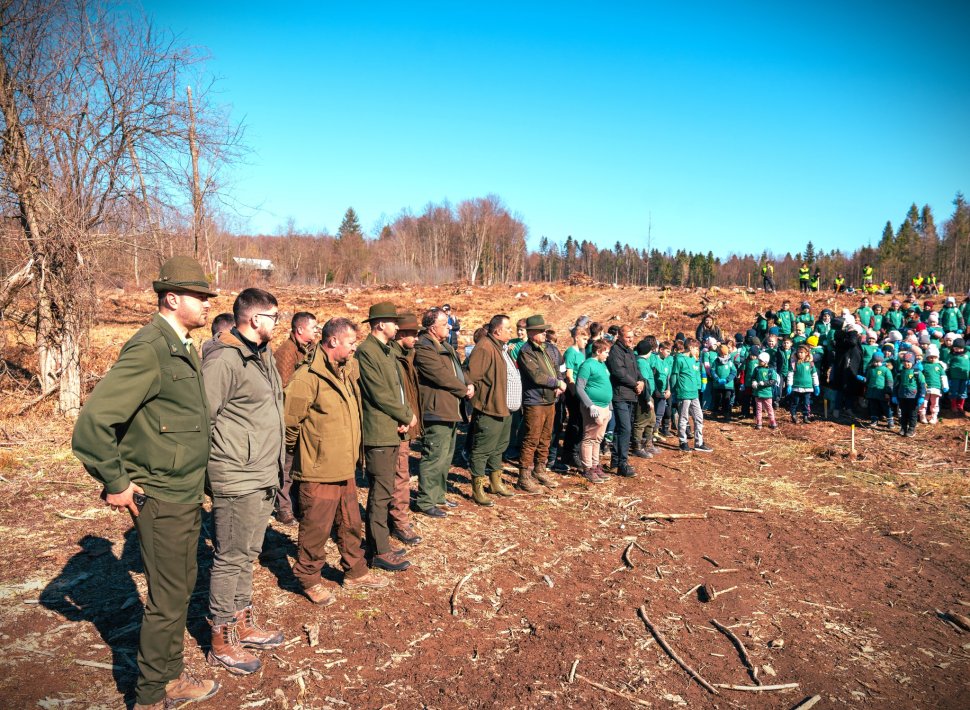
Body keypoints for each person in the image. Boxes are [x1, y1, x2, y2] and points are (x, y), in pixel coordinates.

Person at [71, 256, 220, 709]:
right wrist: (116, 480)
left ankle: (168, 676)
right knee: (168, 598)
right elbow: (93, 425)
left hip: (185, 491)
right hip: (161, 495)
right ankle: (153, 694)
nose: (208, 304)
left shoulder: (182, 345)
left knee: (177, 589)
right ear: (172, 298)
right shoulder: (150, 347)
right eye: (199, 297)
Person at [201, 288, 285, 675]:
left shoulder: (261, 354)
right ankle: (221, 640)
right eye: (274, 317)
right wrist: (216, 472)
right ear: (254, 319)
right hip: (236, 476)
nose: (277, 323)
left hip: (262, 474)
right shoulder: (223, 361)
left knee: (247, 554)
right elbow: (202, 421)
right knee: (230, 556)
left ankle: (243, 622)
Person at [285, 317, 388, 604]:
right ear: (333, 342)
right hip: (318, 470)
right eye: (351, 343)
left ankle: (355, 571)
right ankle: (308, 578)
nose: (355, 348)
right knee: (315, 529)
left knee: (350, 522)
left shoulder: (345, 370)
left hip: (344, 465)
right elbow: (289, 424)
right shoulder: (307, 378)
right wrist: (307, 455)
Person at [355, 302, 416, 572]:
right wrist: (404, 415)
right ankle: (378, 550)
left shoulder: (387, 351)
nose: (397, 327)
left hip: (391, 429)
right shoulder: (367, 352)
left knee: (386, 490)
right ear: (380, 324)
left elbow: (397, 391)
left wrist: (402, 419)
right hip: (378, 433)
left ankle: (380, 545)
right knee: (379, 494)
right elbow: (380, 394)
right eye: (393, 322)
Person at [414, 307, 472, 508]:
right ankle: (425, 501)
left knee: (445, 457)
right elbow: (439, 375)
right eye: (444, 323)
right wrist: (463, 389)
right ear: (431, 328)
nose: (449, 326)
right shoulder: (424, 347)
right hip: (436, 410)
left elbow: (459, 369)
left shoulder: (445, 345)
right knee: (434, 456)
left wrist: (468, 382)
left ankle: (438, 495)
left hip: (449, 409)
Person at [465, 314, 519, 505]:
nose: (511, 332)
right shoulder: (485, 347)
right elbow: (471, 375)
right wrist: (479, 399)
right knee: (482, 450)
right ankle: (477, 489)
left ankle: (495, 482)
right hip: (490, 408)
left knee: (499, 447)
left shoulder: (500, 348)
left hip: (503, 408)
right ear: (497, 331)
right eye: (508, 329)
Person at [271, 311, 319, 525]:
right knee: (287, 467)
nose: (317, 331)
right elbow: (284, 390)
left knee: (301, 466)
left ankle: (298, 505)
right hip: (289, 419)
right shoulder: (286, 352)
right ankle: (283, 508)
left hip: (304, 418)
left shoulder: (309, 349)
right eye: (313, 327)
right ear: (300, 330)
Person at [516, 314, 567, 491]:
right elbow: (536, 375)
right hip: (535, 400)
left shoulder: (549, 349)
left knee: (546, 436)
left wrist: (560, 382)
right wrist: (556, 383)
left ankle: (539, 469)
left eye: (545, 330)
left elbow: (557, 368)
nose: (545, 333)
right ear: (531, 333)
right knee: (531, 438)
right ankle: (523, 476)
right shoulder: (526, 351)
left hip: (550, 399)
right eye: (541, 331)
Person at [389, 312, 423, 545]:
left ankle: (396, 519)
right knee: (400, 476)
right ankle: (399, 523)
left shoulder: (407, 356)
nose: (417, 338)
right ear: (401, 333)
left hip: (406, 423)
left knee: (401, 474)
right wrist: (402, 417)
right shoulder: (392, 357)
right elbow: (390, 394)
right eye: (413, 333)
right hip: (397, 426)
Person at [606, 325, 645, 476]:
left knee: (621, 430)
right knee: (625, 429)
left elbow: (636, 370)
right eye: (628, 337)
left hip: (631, 395)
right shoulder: (615, 351)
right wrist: (635, 383)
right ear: (620, 337)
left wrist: (641, 381)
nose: (631, 339)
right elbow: (619, 372)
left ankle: (615, 461)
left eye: (632, 336)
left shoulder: (629, 351)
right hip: (620, 395)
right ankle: (622, 463)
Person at [575, 339, 613, 483]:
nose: (607, 355)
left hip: (604, 408)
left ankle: (595, 465)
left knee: (598, 439)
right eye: (606, 352)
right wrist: (590, 405)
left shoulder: (602, 365)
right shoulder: (587, 365)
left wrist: (609, 407)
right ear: (598, 351)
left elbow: (606, 385)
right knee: (589, 438)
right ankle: (587, 468)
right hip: (594, 407)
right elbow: (579, 387)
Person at [669, 338, 712, 452]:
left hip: (694, 394)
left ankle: (699, 442)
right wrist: (674, 391)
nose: (697, 351)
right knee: (683, 418)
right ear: (691, 348)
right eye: (696, 348)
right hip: (684, 393)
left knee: (699, 417)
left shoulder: (694, 360)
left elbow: (696, 373)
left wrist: (698, 386)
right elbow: (674, 376)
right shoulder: (679, 359)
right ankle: (683, 442)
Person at [561, 327, 589, 468]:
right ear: (576, 337)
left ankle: (575, 450)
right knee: (574, 422)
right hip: (574, 393)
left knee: (580, 422)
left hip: (581, 392)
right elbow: (569, 375)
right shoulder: (571, 352)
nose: (586, 342)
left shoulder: (581, 353)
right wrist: (575, 394)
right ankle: (570, 453)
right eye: (584, 339)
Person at [631, 338, 659, 457]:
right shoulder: (641, 363)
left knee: (651, 420)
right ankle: (637, 446)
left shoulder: (643, 361)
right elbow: (644, 382)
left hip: (648, 395)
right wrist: (647, 399)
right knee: (641, 421)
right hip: (643, 397)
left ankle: (648, 443)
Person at [893, 352, 926, 436]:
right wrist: (894, 395)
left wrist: (921, 396)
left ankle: (911, 429)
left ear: (913, 362)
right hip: (902, 396)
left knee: (912, 414)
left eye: (908, 362)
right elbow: (896, 385)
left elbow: (922, 385)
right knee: (903, 414)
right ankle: (903, 428)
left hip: (913, 397)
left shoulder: (917, 373)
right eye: (904, 361)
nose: (906, 363)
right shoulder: (900, 373)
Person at [786, 344, 819, 424]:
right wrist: (789, 385)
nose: (800, 354)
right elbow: (790, 374)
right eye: (798, 352)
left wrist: (816, 385)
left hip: (807, 387)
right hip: (797, 387)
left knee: (806, 403)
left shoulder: (810, 364)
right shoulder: (794, 363)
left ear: (807, 353)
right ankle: (793, 415)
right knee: (795, 402)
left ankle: (805, 416)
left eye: (802, 352)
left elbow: (814, 375)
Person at [863, 352, 894, 428]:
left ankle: (890, 420)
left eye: (879, 362)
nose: (877, 363)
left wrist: (887, 392)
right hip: (872, 392)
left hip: (882, 392)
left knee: (885, 407)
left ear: (882, 361)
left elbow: (889, 381)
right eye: (875, 362)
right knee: (873, 407)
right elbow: (868, 380)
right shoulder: (870, 370)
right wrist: (865, 382)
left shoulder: (886, 370)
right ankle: (874, 420)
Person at [751, 351, 779, 429]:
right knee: (758, 408)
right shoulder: (756, 369)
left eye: (761, 361)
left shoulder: (771, 370)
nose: (759, 362)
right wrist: (754, 381)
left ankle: (772, 421)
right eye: (759, 360)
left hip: (767, 393)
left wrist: (764, 383)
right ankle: (759, 422)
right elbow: (753, 377)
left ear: (766, 361)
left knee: (769, 408)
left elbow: (773, 381)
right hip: (758, 392)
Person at [920, 345, 948, 425]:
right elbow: (919, 374)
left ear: (937, 357)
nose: (932, 359)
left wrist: (945, 386)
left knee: (935, 403)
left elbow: (943, 376)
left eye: (934, 357)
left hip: (936, 388)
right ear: (927, 357)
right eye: (930, 357)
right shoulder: (924, 365)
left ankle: (934, 416)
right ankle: (922, 415)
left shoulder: (939, 366)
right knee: (923, 402)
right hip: (925, 387)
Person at [710, 343, 738, 422]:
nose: (724, 357)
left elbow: (733, 371)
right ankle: (715, 412)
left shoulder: (729, 362)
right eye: (722, 355)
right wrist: (716, 379)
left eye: (725, 355)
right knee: (717, 399)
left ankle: (726, 413)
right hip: (718, 385)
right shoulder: (716, 361)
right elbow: (712, 370)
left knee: (727, 399)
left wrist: (727, 379)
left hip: (727, 385)